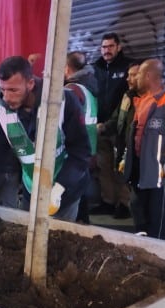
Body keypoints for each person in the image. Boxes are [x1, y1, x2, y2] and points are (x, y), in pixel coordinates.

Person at [0, 56, 90, 232]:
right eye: (3, 89)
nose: (6, 97)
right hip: (32, 189)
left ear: (30, 84)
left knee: (59, 238)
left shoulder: (63, 102)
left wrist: (59, 189)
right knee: (29, 235)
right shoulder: (1, 112)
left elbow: (81, 153)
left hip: (65, 191)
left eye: (13, 90)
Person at [120, 58, 165, 239]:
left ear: (149, 75)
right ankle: (142, 237)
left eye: (138, 75)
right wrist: (126, 157)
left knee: (157, 210)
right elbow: (134, 133)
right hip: (140, 166)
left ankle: (157, 243)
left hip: (158, 169)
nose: (134, 79)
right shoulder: (141, 99)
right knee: (138, 206)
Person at [93, 32, 133, 217]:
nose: (106, 50)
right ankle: (107, 202)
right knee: (104, 167)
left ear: (119, 47)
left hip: (120, 128)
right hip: (100, 127)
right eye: (104, 47)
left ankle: (123, 204)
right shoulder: (96, 68)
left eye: (110, 46)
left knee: (121, 167)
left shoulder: (128, 68)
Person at [64, 51, 99, 224]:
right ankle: (83, 224)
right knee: (82, 190)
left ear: (66, 68)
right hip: (89, 147)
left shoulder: (72, 90)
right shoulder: (89, 89)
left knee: (75, 194)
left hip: (76, 149)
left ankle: (79, 226)